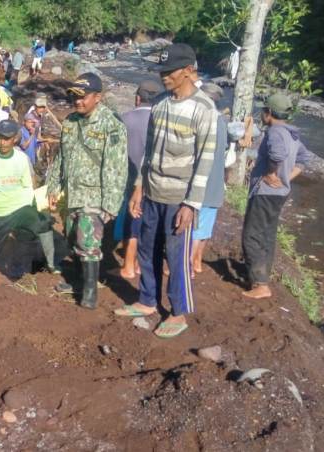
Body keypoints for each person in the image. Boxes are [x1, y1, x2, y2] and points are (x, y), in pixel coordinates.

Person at [123, 44, 219, 339]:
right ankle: (148, 301)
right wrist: (140, 186)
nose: (164, 76)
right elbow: (149, 152)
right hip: (152, 192)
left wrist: (191, 204)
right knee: (148, 249)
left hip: (180, 199)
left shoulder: (204, 109)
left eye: (170, 71)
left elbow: (205, 161)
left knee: (176, 258)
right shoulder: (161, 103)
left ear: (189, 70)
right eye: (161, 71)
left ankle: (178, 312)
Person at [47, 73, 128, 309]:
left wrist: (111, 204)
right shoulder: (70, 122)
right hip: (72, 194)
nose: (78, 101)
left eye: (83, 97)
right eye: (74, 97)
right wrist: (53, 186)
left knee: (88, 241)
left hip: (95, 195)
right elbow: (61, 157)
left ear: (97, 97)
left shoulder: (111, 124)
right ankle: (79, 282)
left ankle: (90, 292)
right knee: (72, 237)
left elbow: (116, 166)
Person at [0, 120, 58, 287]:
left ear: (15, 139)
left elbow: (27, 186)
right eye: (0, 138)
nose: (3, 142)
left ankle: (51, 265)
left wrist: (33, 209)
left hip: (19, 208)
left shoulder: (21, 159)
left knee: (44, 223)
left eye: (7, 138)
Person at [241, 93, 311, 299]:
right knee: (267, 235)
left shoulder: (275, 133)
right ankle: (261, 277)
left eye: (263, 111)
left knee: (251, 235)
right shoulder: (292, 134)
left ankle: (260, 284)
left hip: (266, 192)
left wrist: (272, 174)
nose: (262, 114)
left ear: (269, 113)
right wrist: (287, 177)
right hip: (279, 193)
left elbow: (277, 155)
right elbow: (303, 158)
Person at [116, 79, 165, 279]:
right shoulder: (163, 122)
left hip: (128, 179)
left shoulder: (124, 119)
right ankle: (137, 265)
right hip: (154, 182)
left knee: (131, 221)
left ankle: (128, 266)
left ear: (137, 98)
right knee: (146, 222)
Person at [191, 83, 230, 275]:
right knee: (205, 225)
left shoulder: (204, 118)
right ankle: (197, 261)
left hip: (202, 182)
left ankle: (189, 263)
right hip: (216, 183)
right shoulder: (222, 121)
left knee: (193, 226)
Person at [26, 96, 63, 171]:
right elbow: (35, 137)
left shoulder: (38, 115)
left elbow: (56, 122)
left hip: (34, 140)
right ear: (35, 107)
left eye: (43, 107)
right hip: (29, 144)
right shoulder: (31, 118)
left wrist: (49, 111)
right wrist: (48, 140)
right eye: (39, 107)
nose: (41, 109)